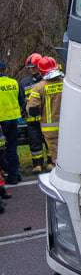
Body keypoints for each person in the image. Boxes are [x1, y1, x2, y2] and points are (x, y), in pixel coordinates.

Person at [26, 56, 63, 172]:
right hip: (69, 126)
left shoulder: (39, 87)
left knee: (57, 157)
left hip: (50, 128)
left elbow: (32, 110)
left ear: (41, 71)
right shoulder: (66, 83)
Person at [19, 52, 46, 174]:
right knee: (34, 142)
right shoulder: (24, 82)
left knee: (48, 141)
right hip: (31, 120)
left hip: (46, 118)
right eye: (30, 68)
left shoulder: (47, 80)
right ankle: (37, 164)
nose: (32, 70)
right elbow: (21, 100)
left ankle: (51, 162)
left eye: (34, 67)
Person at [0, 60, 24, 188]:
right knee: (12, 149)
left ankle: (7, 174)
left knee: (1, 150)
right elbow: (21, 100)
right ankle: (14, 176)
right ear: (4, 70)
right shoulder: (14, 82)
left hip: (1, 122)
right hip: (13, 120)